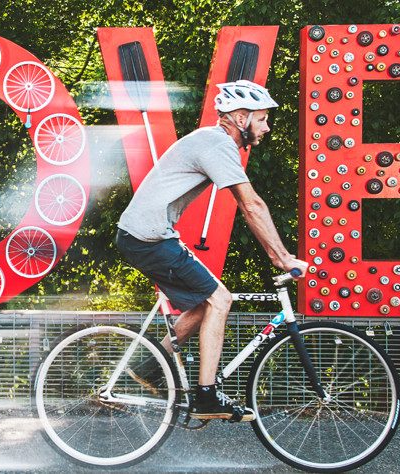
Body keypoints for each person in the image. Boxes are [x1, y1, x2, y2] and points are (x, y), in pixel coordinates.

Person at [115, 80, 308, 422]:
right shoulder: (217, 143)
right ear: (239, 117)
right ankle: (206, 397)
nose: (266, 126)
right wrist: (282, 258)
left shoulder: (212, 141)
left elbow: (251, 206)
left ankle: (149, 367)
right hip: (149, 237)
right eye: (262, 118)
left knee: (207, 302)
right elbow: (251, 206)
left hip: (146, 235)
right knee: (221, 299)